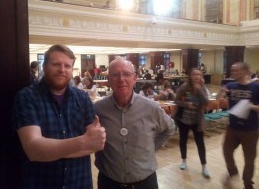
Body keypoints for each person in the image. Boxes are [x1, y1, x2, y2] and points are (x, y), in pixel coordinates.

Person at [12, 44, 106, 189]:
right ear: (44, 67)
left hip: (79, 183)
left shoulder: (82, 98)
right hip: (42, 183)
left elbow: (96, 143)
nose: (62, 70)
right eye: (56, 64)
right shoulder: (27, 97)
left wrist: (50, 151)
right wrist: (83, 141)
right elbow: (34, 150)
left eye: (67, 66)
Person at [94, 56, 175, 189]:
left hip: (146, 183)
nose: (121, 79)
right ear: (108, 80)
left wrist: (153, 146)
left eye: (126, 74)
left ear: (134, 78)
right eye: (115, 75)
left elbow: (170, 128)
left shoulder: (151, 108)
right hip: (109, 183)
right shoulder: (98, 109)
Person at [219, 62, 259, 189]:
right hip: (232, 128)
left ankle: (248, 183)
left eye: (236, 70)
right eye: (232, 70)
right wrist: (221, 93)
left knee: (249, 159)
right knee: (226, 151)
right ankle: (233, 171)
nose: (233, 73)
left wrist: (249, 106)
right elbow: (220, 104)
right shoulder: (230, 85)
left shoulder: (255, 87)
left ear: (246, 71)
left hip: (250, 130)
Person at [174, 68, 210, 178]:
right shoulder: (184, 87)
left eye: (199, 74)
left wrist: (200, 90)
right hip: (184, 119)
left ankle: (204, 166)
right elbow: (176, 100)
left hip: (197, 120)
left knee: (200, 143)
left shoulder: (202, 87)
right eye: (194, 74)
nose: (196, 77)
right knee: (183, 141)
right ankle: (184, 160)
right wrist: (186, 105)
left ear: (201, 76)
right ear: (190, 76)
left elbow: (206, 102)